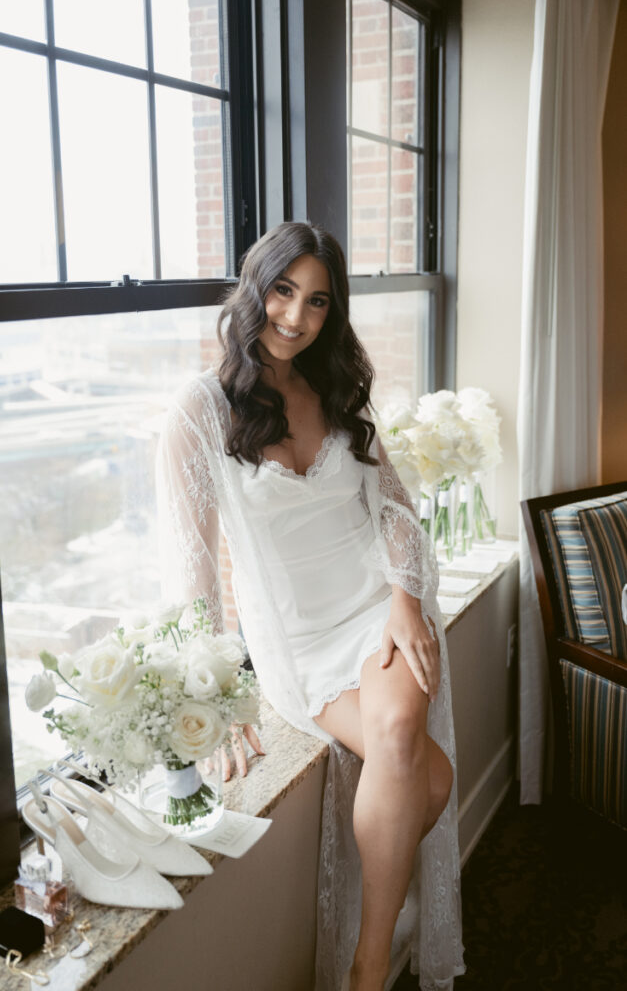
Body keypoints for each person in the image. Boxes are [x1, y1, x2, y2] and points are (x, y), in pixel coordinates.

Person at [156, 221, 464, 991]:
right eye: (283, 292)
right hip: (294, 641)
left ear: (333, 312)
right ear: (253, 289)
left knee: (396, 730)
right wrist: (216, 699)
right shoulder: (198, 409)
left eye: (318, 302)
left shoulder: (332, 387)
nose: (295, 317)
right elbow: (194, 573)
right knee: (428, 780)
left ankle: (367, 966)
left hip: (378, 608)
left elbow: (394, 509)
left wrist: (404, 602)